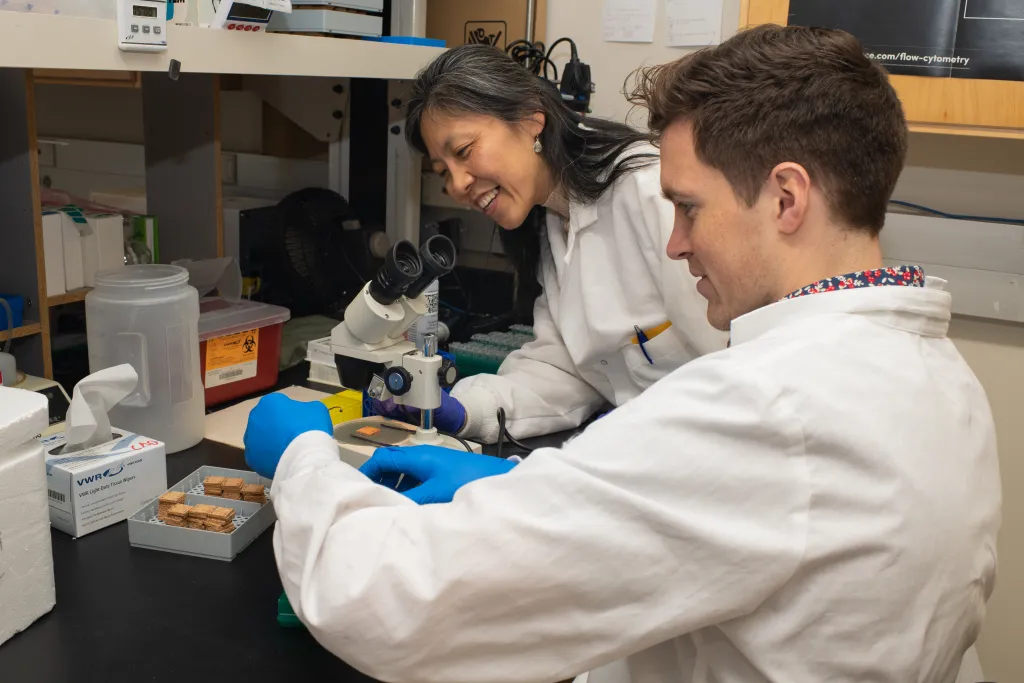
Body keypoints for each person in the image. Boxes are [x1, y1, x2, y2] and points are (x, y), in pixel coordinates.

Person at [245, 25, 1002, 683]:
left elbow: (392, 596)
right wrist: (497, 450)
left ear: (786, 198)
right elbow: (588, 376)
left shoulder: (767, 409)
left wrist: (305, 462)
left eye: (691, 208)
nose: (674, 242)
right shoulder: (939, 377)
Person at [369, 43, 728, 444]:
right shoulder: (556, 223)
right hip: (645, 451)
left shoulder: (650, 194)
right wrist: (465, 409)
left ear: (530, 120)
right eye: (443, 172)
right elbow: (564, 370)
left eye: (464, 152)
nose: (457, 184)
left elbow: (732, 361)